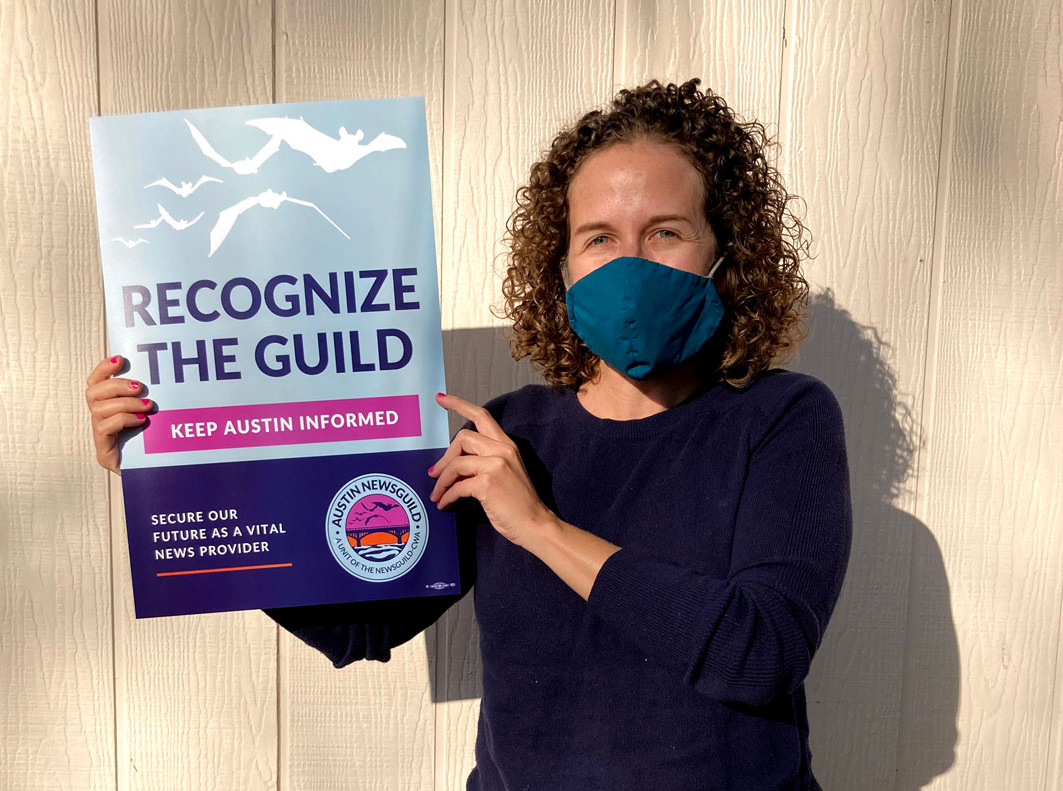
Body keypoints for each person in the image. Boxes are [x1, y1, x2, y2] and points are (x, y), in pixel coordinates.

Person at [85, 78, 851, 790]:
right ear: (560, 267)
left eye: (665, 232)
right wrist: (177, 468)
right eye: (598, 238)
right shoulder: (509, 435)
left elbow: (761, 653)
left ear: (725, 252)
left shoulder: (783, 418)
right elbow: (358, 624)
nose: (630, 264)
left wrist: (540, 527)